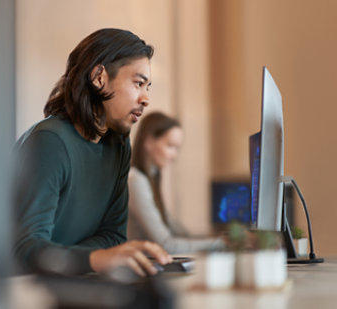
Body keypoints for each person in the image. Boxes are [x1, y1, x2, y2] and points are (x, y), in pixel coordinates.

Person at [13, 28, 172, 278]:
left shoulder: (118, 146)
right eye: (138, 83)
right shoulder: (50, 141)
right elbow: (26, 249)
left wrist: (81, 260)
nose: (146, 99)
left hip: (73, 282)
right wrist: (95, 259)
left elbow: (113, 236)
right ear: (99, 77)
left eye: (147, 87)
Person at [128, 112, 223, 254]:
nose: (174, 156)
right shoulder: (135, 180)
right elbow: (166, 244)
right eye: (170, 146)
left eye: (177, 148)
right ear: (148, 142)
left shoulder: (151, 178)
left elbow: (179, 232)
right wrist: (219, 243)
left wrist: (218, 239)